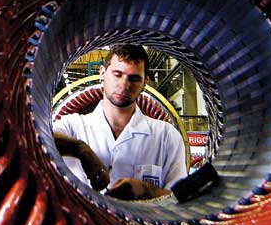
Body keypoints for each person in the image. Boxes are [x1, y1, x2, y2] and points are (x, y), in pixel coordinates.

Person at [54, 44, 187, 200]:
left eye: (134, 78)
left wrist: (145, 191)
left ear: (145, 82)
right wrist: (79, 149)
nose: (124, 85)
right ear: (102, 73)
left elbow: (181, 198)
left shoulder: (166, 136)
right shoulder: (73, 127)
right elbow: (35, 137)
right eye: (117, 74)